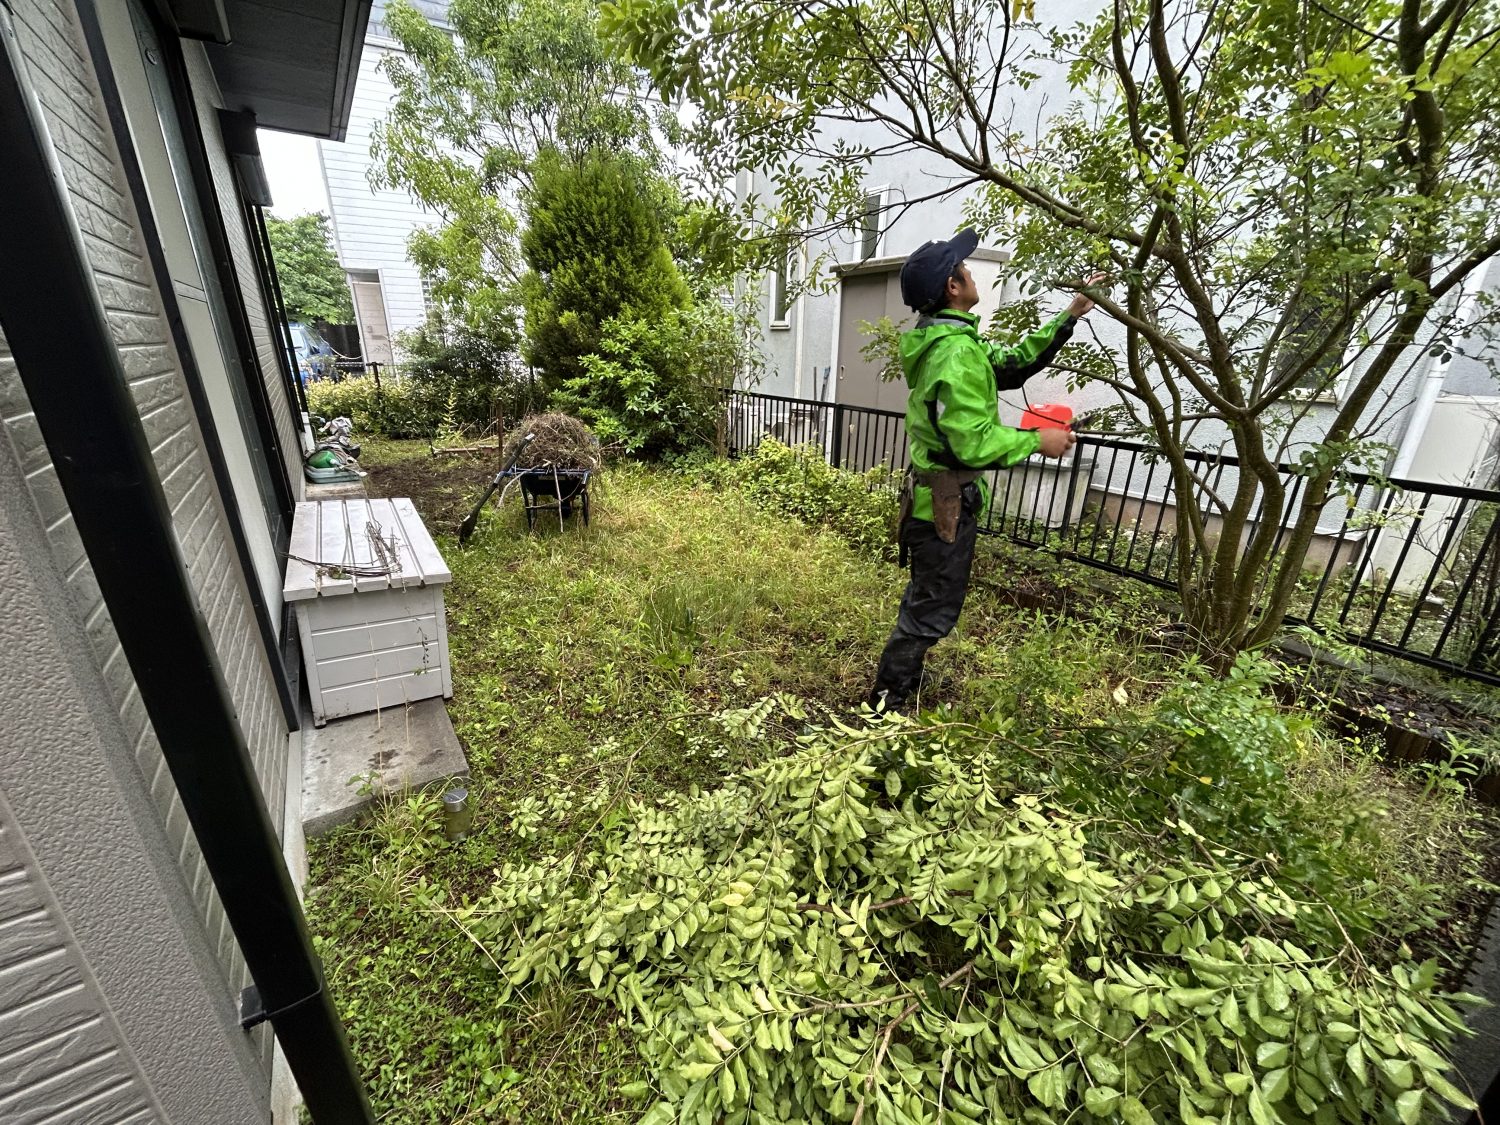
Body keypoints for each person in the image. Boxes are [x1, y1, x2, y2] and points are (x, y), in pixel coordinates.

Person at [868, 229, 1103, 712]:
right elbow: (970, 442)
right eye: (964, 266)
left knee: (926, 600)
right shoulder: (954, 353)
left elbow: (1012, 366)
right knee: (930, 611)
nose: (972, 272)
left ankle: (898, 689)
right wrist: (1040, 439)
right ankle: (886, 706)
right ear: (952, 287)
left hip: (937, 501)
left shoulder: (954, 343)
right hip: (942, 505)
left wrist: (1068, 315)